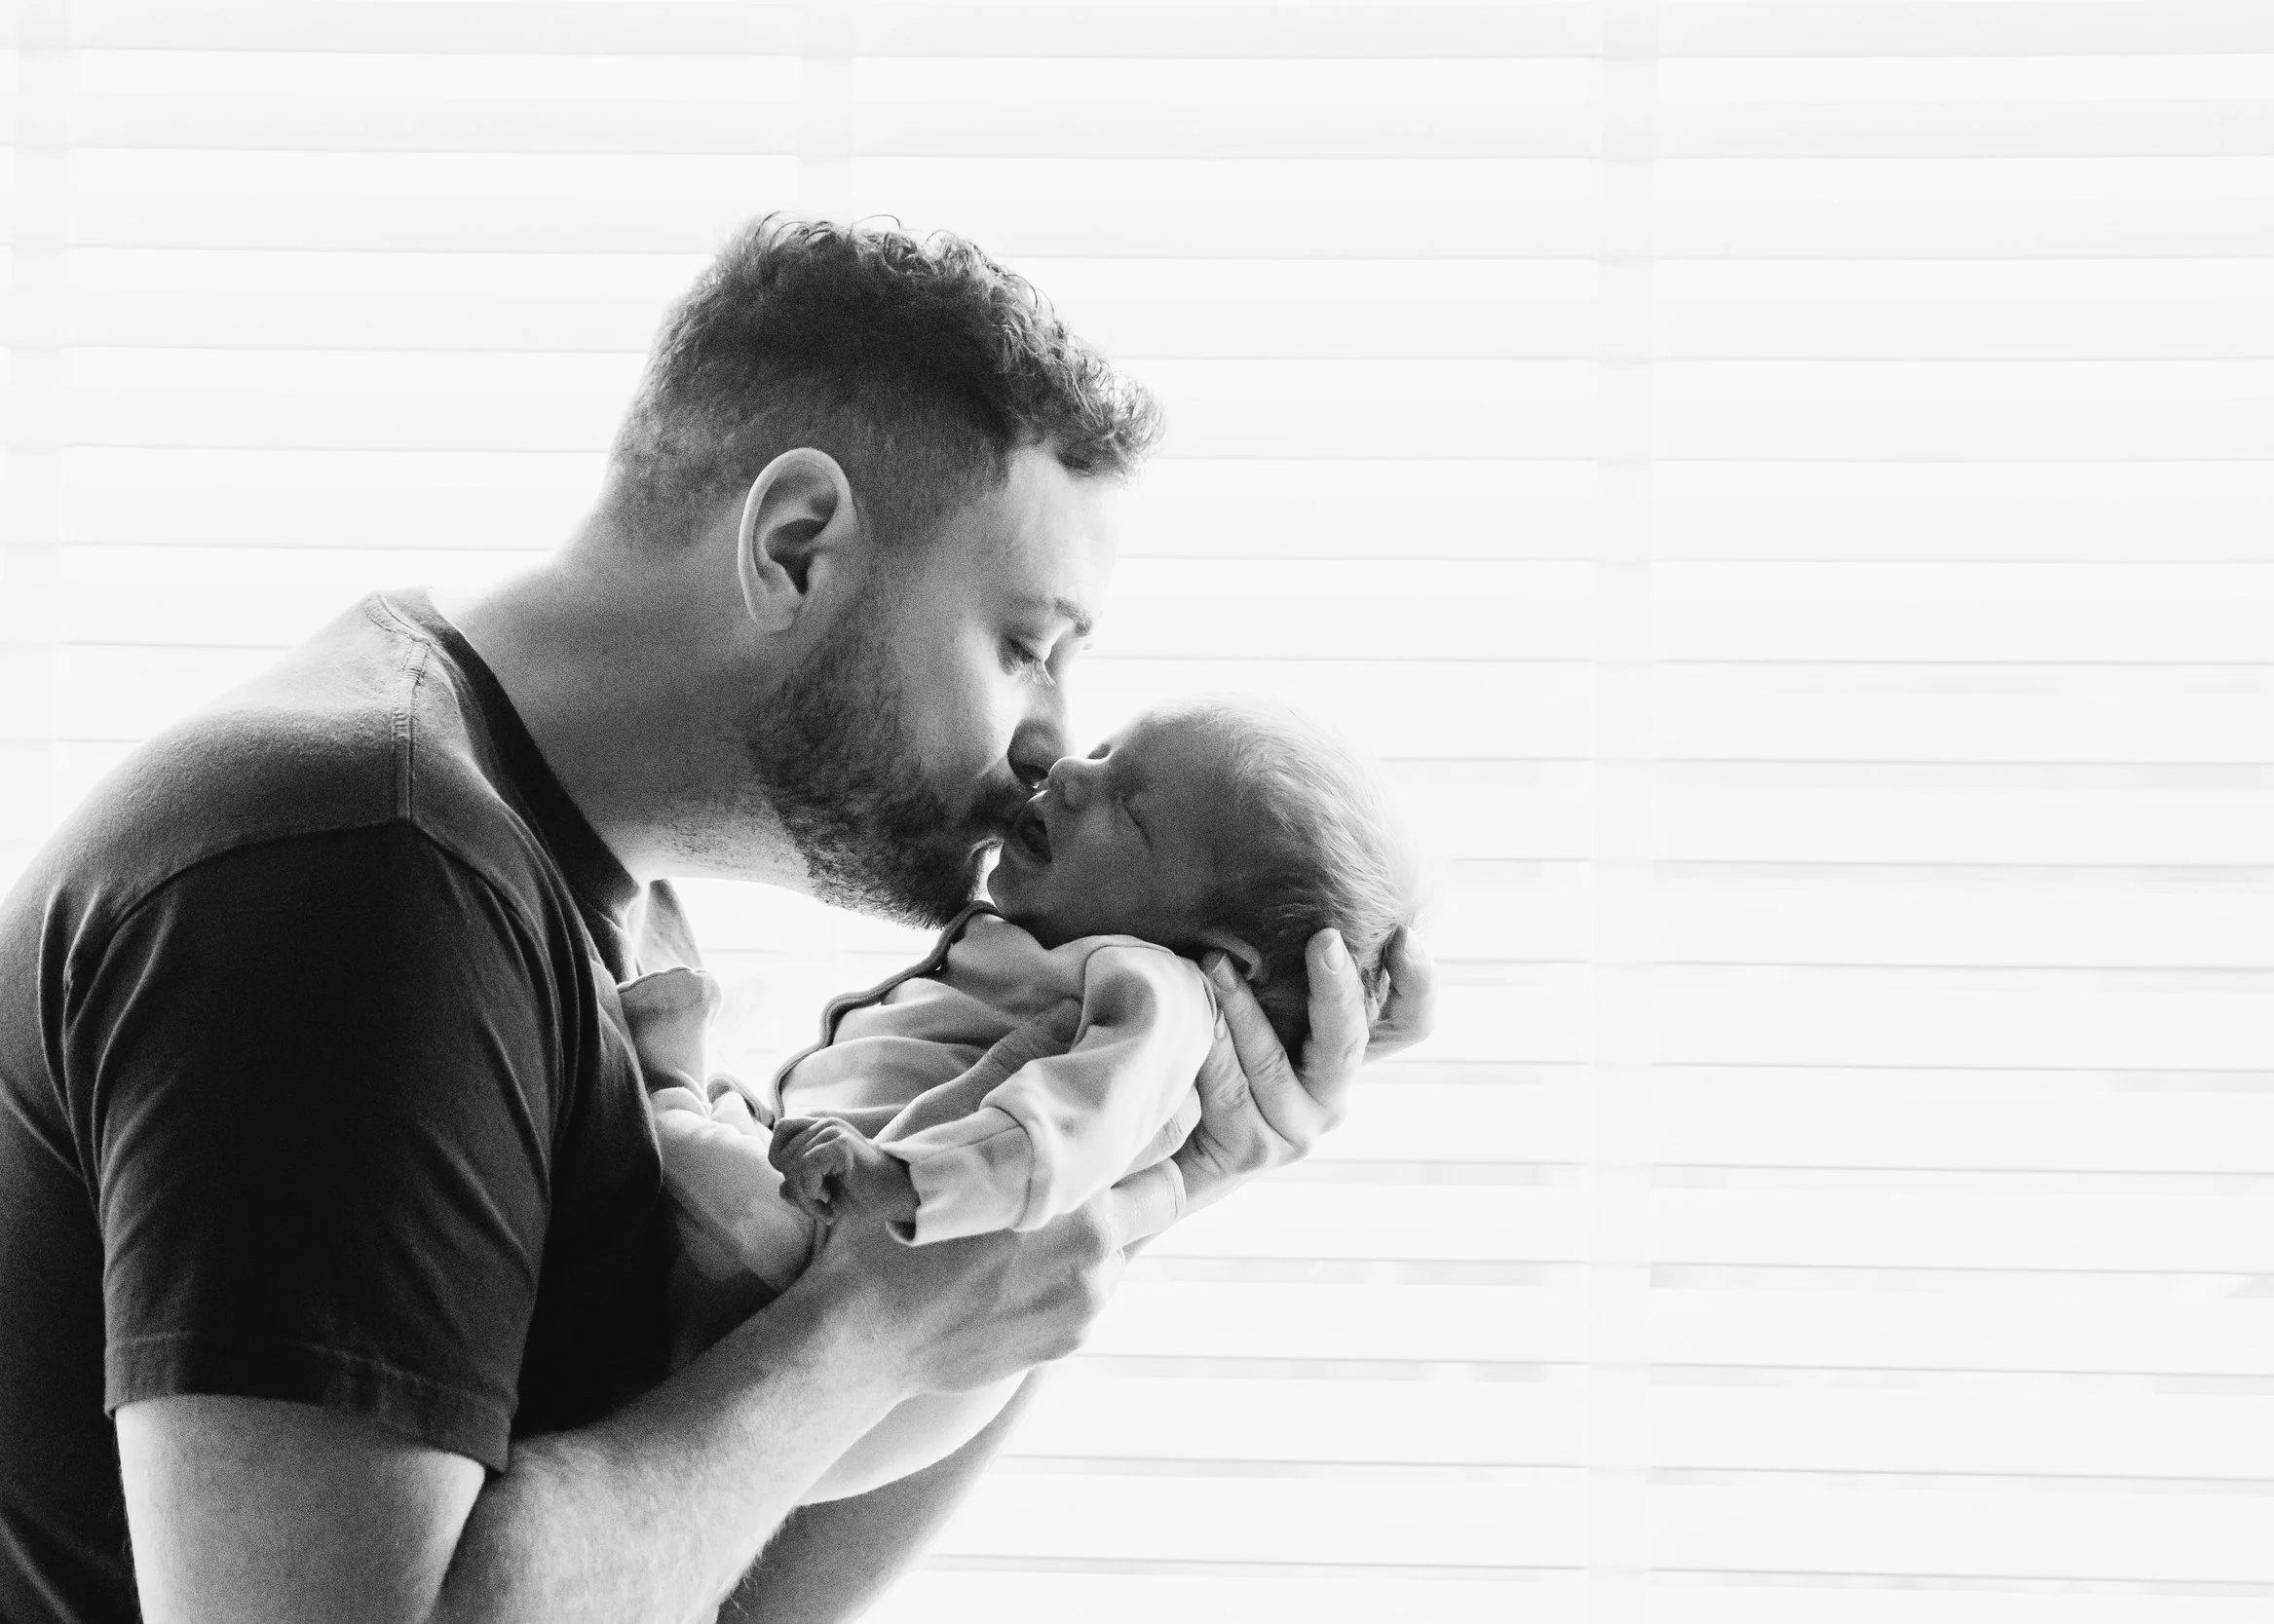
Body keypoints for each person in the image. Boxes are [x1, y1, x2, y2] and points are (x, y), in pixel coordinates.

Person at [0, 216, 1434, 1624]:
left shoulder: (595, 909)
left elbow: (722, 1587)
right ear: (798, 544)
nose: (1056, 744)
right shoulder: (362, 880)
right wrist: (871, 1322)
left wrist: (1123, 1175)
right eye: (1025, 645)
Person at [636, 696, 1418, 1502]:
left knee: (683, 1144)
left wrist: (905, 1180)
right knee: (728, 1140)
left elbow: (1056, 1131)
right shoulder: (1061, 968)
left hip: (847, 1252)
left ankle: (666, 1087)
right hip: (845, 1268)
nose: (1072, 771)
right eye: (1107, 752)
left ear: (1222, 958)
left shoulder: (1163, 998)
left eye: (1132, 808)